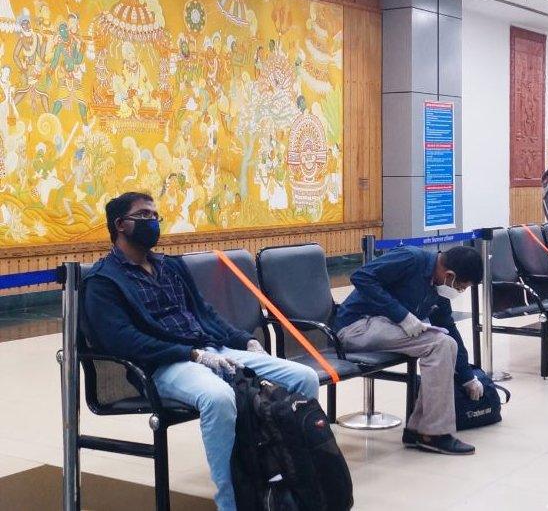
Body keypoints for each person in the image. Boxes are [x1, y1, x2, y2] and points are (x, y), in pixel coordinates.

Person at [83, 192, 320, 511]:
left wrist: (244, 341)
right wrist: (191, 354)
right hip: (163, 365)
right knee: (218, 397)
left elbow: (205, 314)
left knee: (303, 378)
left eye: (155, 215)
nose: (152, 221)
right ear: (120, 225)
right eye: (143, 215)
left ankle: (297, 479)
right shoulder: (103, 281)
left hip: (214, 349)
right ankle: (230, 501)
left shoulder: (170, 267)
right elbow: (123, 341)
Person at [332, 245, 483, 455]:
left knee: (445, 342)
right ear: (450, 275)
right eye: (460, 287)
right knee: (439, 344)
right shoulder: (410, 258)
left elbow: (449, 328)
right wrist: (401, 314)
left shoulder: (438, 287)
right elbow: (361, 276)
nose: (458, 292)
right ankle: (432, 433)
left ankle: (420, 430)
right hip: (354, 328)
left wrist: (467, 376)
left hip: (382, 328)